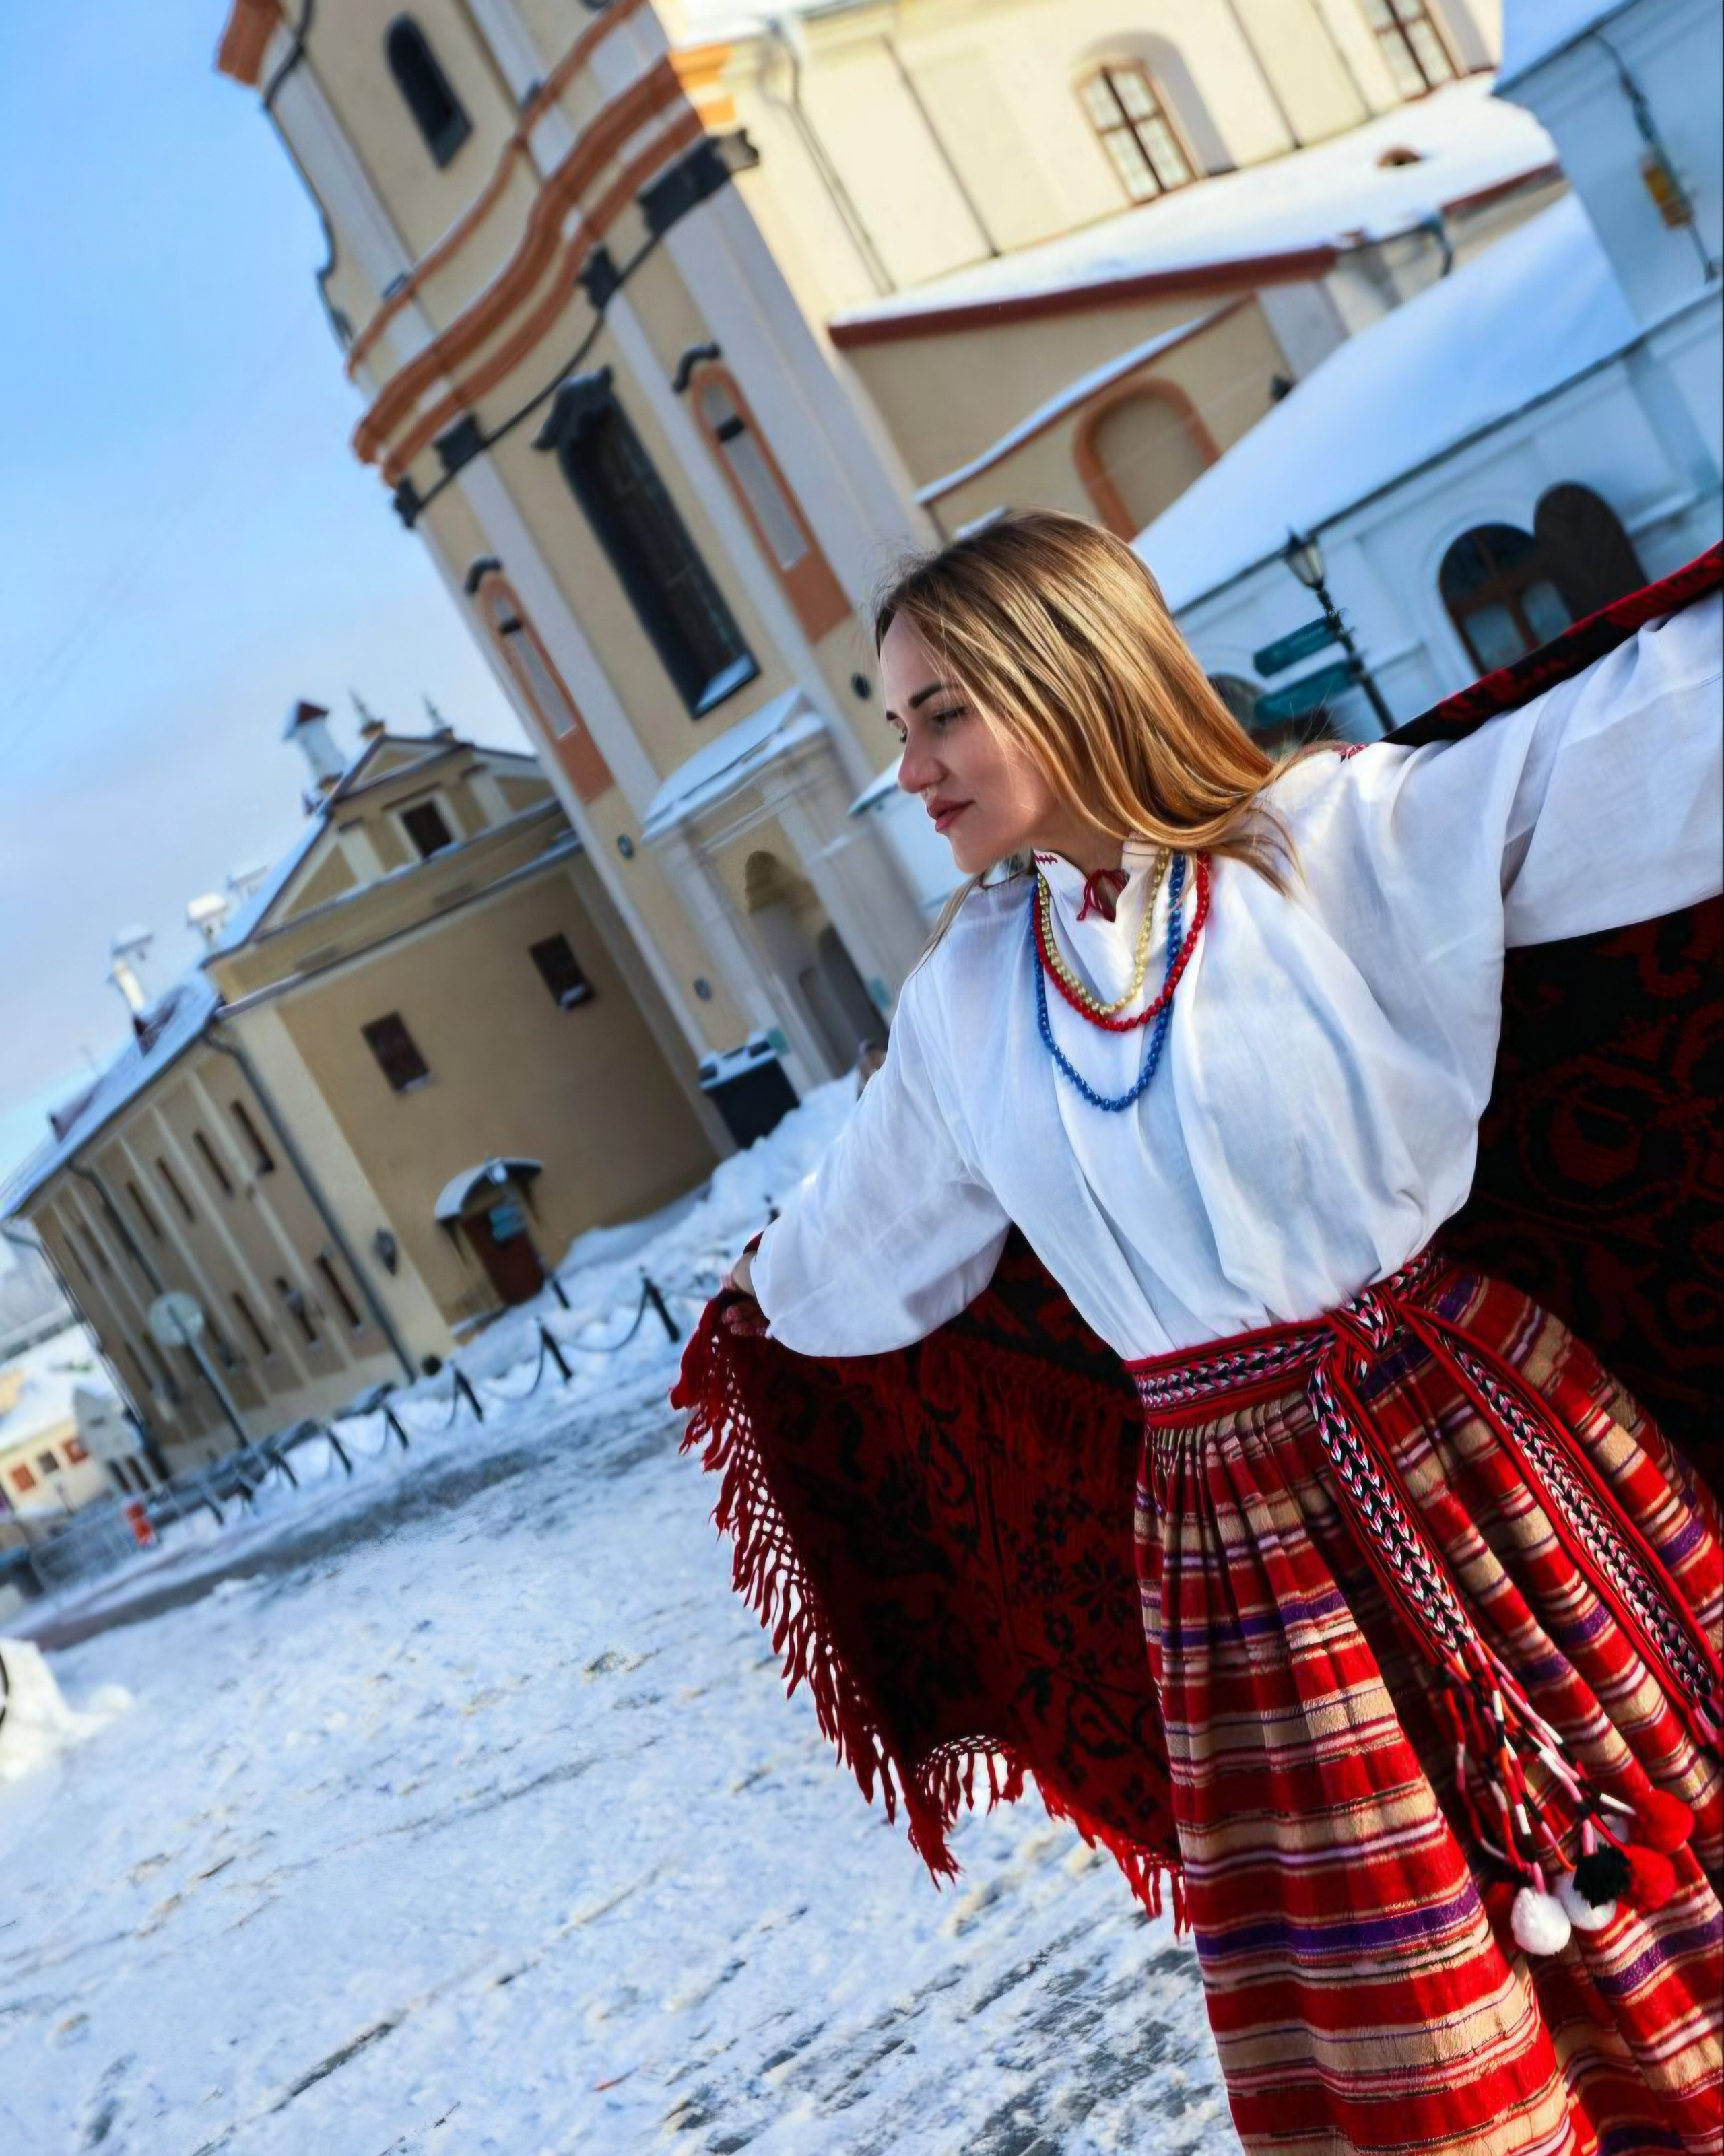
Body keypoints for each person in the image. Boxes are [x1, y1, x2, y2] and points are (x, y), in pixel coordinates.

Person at [686, 512, 1723, 2156]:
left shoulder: (1333, 838)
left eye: (942, 712)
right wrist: (760, 1292)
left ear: (1071, 678)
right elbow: (858, 1258)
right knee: (1410, 2010)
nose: (908, 767)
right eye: (896, 723)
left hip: (1476, 1451)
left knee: (1653, 1845)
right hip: (1238, 1551)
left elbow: (1641, 748)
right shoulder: (966, 1000)